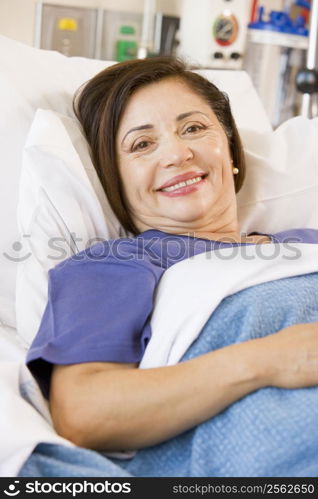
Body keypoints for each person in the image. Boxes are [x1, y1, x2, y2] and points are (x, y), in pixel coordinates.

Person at [26, 56, 318, 455]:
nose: (177, 154)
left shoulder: (306, 243)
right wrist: (270, 359)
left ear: (230, 148)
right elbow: (84, 413)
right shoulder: (117, 264)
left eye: (193, 128)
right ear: (116, 178)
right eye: (142, 144)